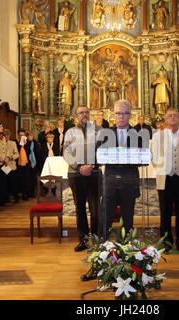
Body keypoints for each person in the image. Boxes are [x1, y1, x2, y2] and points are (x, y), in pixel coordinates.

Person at [151, 108, 179, 254]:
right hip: (166, 179)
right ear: (165, 119)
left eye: (175, 115)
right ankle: (167, 241)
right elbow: (154, 156)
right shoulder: (158, 136)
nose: (173, 117)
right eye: (170, 116)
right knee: (165, 212)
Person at [64, 106, 101, 254]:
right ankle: (83, 240)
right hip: (75, 174)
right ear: (76, 116)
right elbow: (66, 152)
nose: (84, 114)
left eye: (86, 112)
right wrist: (79, 166)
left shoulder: (99, 130)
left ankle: (97, 241)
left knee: (95, 209)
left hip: (94, 173)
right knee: (80, 208)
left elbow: (103, 150)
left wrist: (91, 165)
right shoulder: (70, 132)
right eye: (81, 112)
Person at [102, 100, 141, 238]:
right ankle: (103, 246)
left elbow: (142, 159)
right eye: (118, 113)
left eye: (124, 113)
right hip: (110, 181)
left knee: (128, 217)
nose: (121, 116)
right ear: (113, 115)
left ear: (130, 115)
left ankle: (127, 247)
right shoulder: (105, 133)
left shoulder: (138, 134)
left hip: (129, 181)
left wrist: (138, 156)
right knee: (106, 216)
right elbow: (99, 155)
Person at [16, 129, 33, 201]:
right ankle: (18, 194)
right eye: (20, 135)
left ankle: (25, 194)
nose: (21, 136)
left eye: (23, 135)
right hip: (18, 163)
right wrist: (21, 144)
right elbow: (16, 151)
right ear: (18, 135)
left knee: (26, 179)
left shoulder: (28, 142)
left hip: (26, 163)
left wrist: (25, 145)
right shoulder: (15, 142)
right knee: (19, 179)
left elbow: (29, 152)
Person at [4, 129, 20, 203]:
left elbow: (17, 154)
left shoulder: (13, 143)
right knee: (5, 183)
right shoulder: (1, 143)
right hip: (3, 165)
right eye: (5, 135)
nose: (6, 137)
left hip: (12, 165)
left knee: (13, 183)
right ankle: (6, 198)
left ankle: (16, 197)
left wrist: (11, 157)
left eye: (7, 135)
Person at [27, 131, 43, 198]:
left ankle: (33, 193)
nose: (31, 137)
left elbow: (38, 153)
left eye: (32, 136)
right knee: (28, 179)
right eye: (29, 136)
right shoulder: (26, 143)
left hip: (35, 162)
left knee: (34, 178)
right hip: (27, 162)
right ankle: (28, 193)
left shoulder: (35, 143)